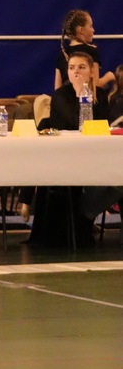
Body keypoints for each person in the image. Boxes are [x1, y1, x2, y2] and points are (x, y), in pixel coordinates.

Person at [30, 52, 111, 248]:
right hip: (66, 157)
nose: (76, 72)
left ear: (91, 72)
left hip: (96, 154)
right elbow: (75, 124)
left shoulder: (100, 95)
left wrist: (86, 95)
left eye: (81, 67)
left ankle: (88, 214)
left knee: (116, 182)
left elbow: (103, 125)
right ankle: (82, 220)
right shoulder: (60, 95)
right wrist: (79, 93)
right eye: (72, 68)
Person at [54, 9, 114, 91]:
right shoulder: (91, 51)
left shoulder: (62, 53)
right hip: (85, 98)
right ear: (81, 30)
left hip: (65, 99)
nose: (93, 30)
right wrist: (108, 77)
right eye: (90, 26)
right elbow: (94, 85)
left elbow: (57, 89)